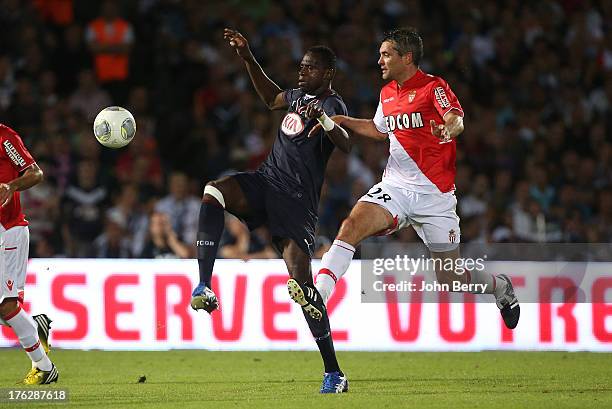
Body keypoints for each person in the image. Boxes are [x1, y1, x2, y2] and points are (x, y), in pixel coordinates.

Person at [311, 28, 520, 329]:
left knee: (450, 277)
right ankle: (320, 295)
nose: (379, 60)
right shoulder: (387, 93)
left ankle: (500, 287)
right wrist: (342, 121)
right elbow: (379, 129)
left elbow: (456, 118)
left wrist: (449, 129)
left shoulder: (433, 87)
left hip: (435, 197)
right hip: (395, 187)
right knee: (351, 225)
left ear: (406, 57)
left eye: (386, 54)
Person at [191, 28, 351, 393]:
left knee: (302, 284)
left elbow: (346, 145)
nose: (302, 72)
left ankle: (333, 372)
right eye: (301, 66)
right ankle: (204, 283)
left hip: (296, 203)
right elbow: (269, 98)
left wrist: (323, 120)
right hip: (267, 182)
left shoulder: (332, 105)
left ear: (328, 73)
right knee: (214, 191)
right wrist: (248, 56)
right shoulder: (295, 97)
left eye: (310, 68)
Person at [0, 123, 58, 384]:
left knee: (6, 305)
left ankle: (45, 367)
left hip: (8, 231)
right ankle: (36, 328)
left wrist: (11, 186)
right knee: (5, 310)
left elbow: (35, 174)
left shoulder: (5, 137)